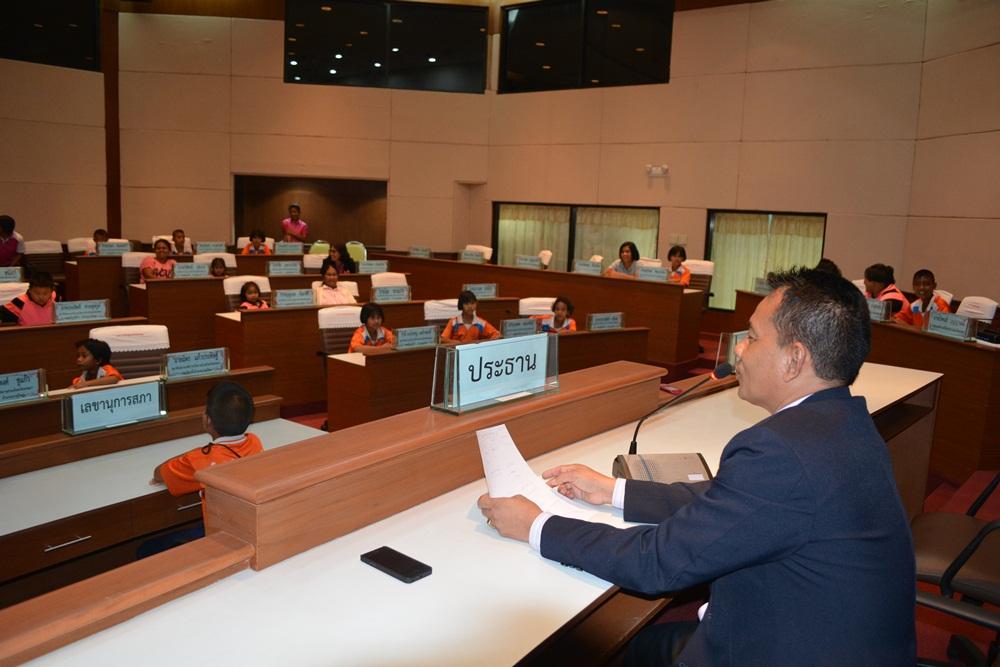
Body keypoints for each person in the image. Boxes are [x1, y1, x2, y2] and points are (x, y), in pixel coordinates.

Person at [478, 267, 915, 667]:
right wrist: (613, 490)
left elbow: (657, 562)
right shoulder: (845, 422)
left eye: (752, 337)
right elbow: (732, 502)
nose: (738, 349)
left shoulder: (780, 451)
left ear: (794, 359)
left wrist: (536, 525)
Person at [144, 381, 262, 556]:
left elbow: (159, 473)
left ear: (207, 420)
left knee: (146, 548)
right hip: (250, 529)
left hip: (222, 539)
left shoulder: (197, 460)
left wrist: (195, 453)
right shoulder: (254, 441)